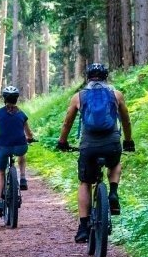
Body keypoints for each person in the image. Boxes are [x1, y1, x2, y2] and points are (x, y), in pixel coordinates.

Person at [56, 63, 134, 243]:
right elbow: (126, 120)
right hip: (111, 143)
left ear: (88, 77)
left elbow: (67, 123)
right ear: (106, 77)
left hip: (89, 146)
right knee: (115, 163)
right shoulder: (116, 94)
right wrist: (128, 140)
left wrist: (62, 142)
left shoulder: (79, 97)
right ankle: (113, 192)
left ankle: (83, 227)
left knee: (85, 182)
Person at [0, 86, 35, 218]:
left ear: (4, 99)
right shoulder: (22, 114)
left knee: (0, 172)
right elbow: (28, 132)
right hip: (20, 146)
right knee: (22, 151)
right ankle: (23, 177)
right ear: (17, 99)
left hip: (3, 147)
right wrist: (30, 138)